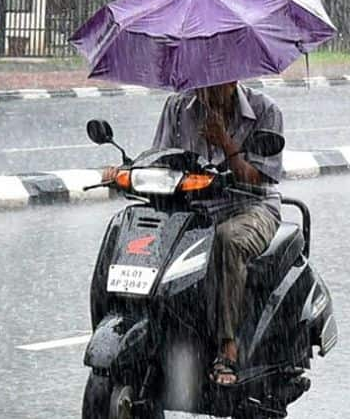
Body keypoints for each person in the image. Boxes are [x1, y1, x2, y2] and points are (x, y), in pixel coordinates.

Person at [103, 81, 283, 385]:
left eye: (217, 82)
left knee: (227, 240)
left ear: (233, 76)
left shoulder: (265, 111)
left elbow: (261, 179)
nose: (208, 90)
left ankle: (228, 347)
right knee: (134, 229)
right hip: (191, 208)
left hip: (249, 207)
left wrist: (225, 142)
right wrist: (124, 172)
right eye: (204, 82)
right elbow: (161, 158)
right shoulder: (177, 107)